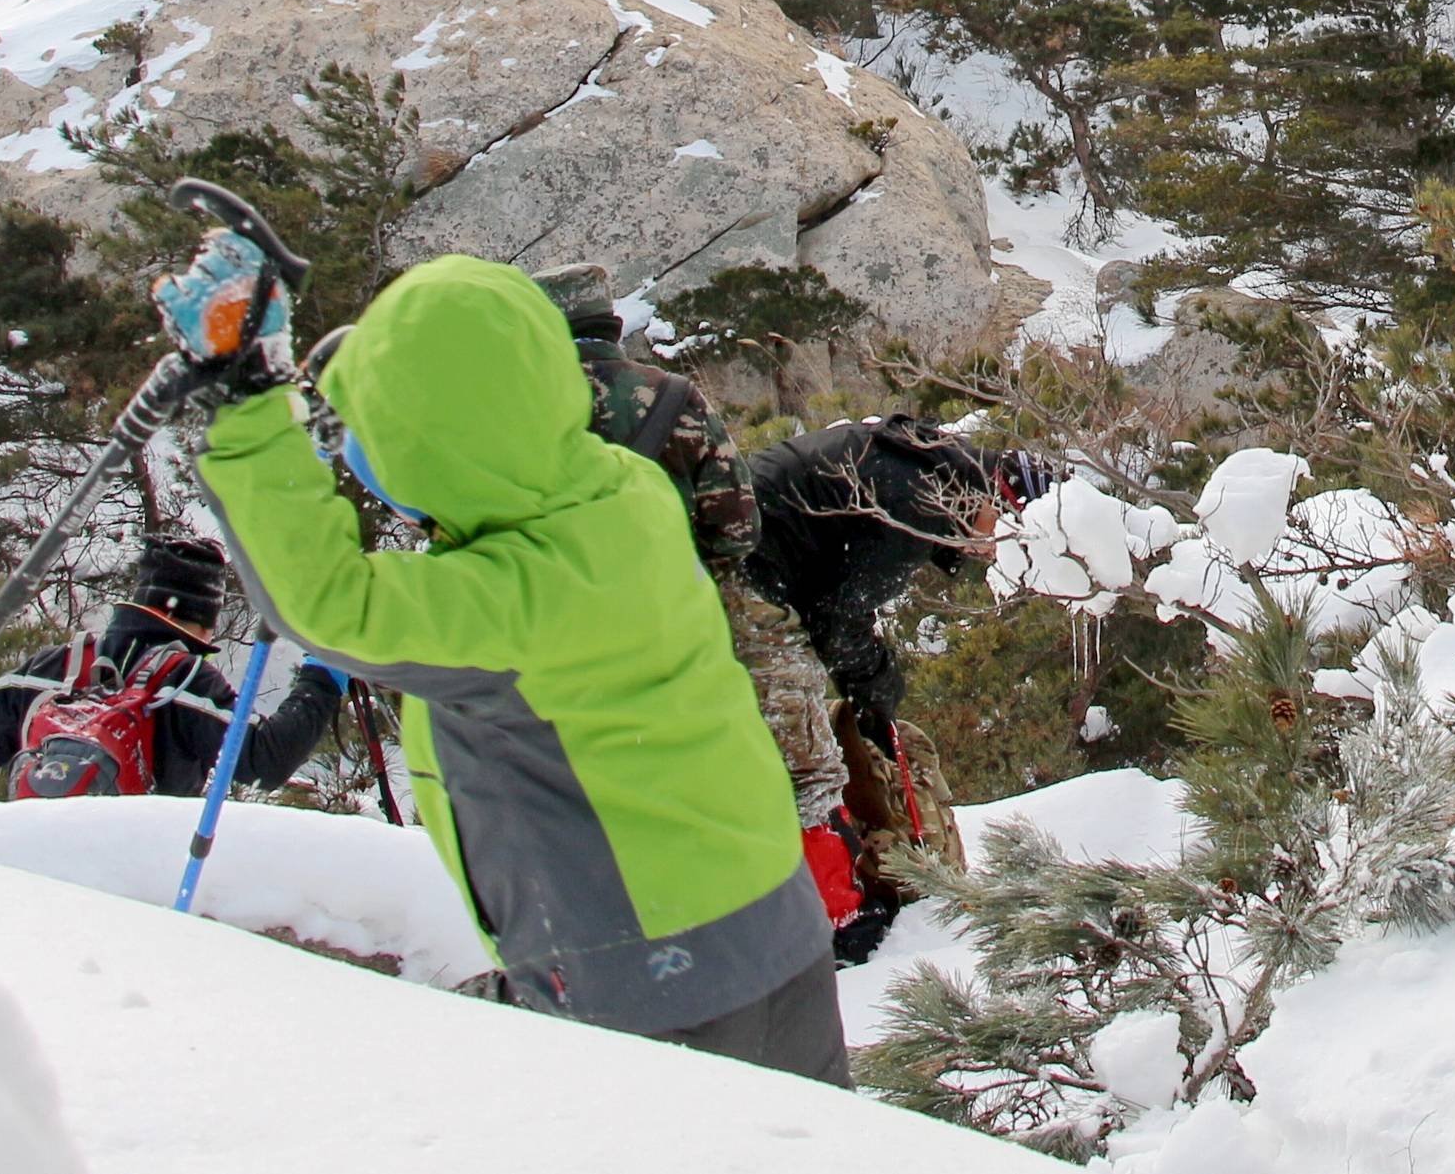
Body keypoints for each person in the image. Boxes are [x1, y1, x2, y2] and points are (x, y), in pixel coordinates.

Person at [162, 240, 843, 1086]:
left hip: (644, 972)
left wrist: (250, 410)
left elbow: (327, 601)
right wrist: (371, 375)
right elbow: (489, 406)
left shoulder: (509, 603)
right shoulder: (623, 493)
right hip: (775, 924)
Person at [743, 414, 1053, 952]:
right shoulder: (919, 503)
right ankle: (838, 924)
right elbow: (838, 622)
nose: (994, 553)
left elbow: (836, 600)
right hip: (742, 571)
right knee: (803, 754)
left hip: (744, 554)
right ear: (998, 504)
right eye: (1006, 537)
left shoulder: (928, 466)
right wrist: (877, 689)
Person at [0, 535, 343, 807]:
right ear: (200, 622)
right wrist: (322, 675)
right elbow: (265, 758)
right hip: (127, 873)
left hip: (35, 857)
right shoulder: (183, 680)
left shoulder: (52, 667)